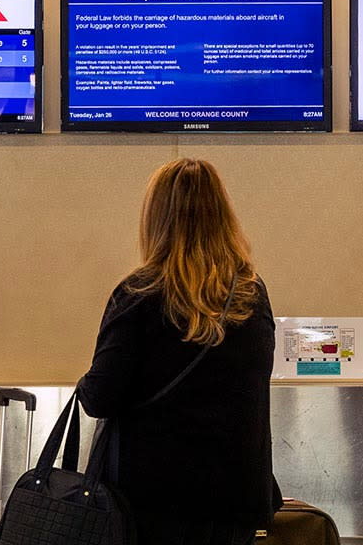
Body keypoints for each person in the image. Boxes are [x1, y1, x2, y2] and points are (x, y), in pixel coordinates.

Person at [78, 158, 280, 545]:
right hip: (233, 499)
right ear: (223, 215)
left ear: (156, 219)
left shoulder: (139, 294)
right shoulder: (252, 294)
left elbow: (100, 397)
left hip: (150, 502)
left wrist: (86, 384)